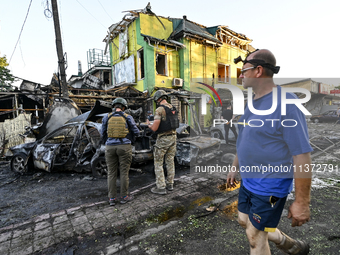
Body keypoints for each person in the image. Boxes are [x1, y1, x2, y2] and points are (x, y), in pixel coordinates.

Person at [227, 49, 313, 255]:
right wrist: (234, 167)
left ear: (258, 71)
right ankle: (290, 245)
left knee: (255, 236)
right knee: (244, 220)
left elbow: (302, 155)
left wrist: (302, 202)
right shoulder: (252, 104)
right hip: (249, 181)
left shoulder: (287, 104)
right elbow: (244, 139)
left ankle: (287, 245)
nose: (240, 75)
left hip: (270, 186)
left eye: (243, 70)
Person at [101, 97, 140, 206]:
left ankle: (112, 199)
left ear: (114, 106)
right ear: (123, 107)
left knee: (111, 173)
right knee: (124, 172)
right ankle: (124, 197)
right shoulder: (128, 117)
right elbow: (136, 131)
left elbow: (102, 132)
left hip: (110, 147)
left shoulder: (106, 117)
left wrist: (107, 142)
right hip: (124, 147)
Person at [147, 90, 179, 195]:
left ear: (158, 99)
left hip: (163, 139)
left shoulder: (160, 109)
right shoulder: (173, 108)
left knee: (158, 162)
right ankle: (170, 184)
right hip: (173, 137)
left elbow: (155, 128)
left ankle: (160, 187)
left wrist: (149, 125)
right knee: (170, 161)